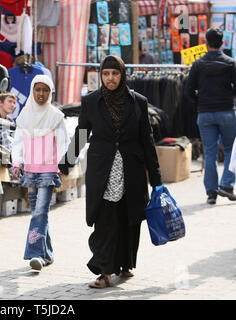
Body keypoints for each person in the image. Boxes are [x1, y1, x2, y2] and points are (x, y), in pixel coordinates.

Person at [59, 55, 163, 288]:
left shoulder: (138, 102)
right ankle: (104, 271)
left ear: (122, 75)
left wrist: (156, 179)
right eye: (106, 74)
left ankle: (126, 264)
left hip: (132, 169)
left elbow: (147, 140)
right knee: (105, 219)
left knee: (130, 217)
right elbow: (82, 134)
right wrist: (65, 164)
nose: (110, 78)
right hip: (103, 169)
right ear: (100, 75)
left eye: (115, 73)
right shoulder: (92, 102)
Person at [11, 74, 69, 271]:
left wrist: (63, 167)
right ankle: (47, 254)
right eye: (38, 89)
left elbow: (64, 144)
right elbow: (17, 143)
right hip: (29, 172)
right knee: (39, 213)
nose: (41, 94)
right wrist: (16, 163)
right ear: (32, 91)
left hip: (48, 172)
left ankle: (35, 254)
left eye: (45, 90)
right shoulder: (24, 116)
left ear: (50, 92)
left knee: (39, 213)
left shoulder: (56, 116)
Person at [185, 28, 236, 205]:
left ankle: (211, 193)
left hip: (205, 113)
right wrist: (227, 95)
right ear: (223, 43)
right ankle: (226, 185)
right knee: (231, 149)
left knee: (209, 153)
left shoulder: (197, 64)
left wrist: (200, 101)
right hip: (226, 110)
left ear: (205, 43)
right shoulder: (230, 63)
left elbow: (188, 91)